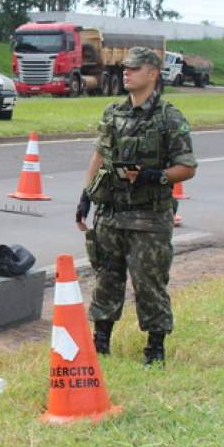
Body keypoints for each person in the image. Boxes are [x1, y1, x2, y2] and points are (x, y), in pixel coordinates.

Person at [75, 46, 197, 365]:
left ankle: (154, 349)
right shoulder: (113, 112)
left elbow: (187, 166)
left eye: (134, 68)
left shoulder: (169, 117)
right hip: (111, 213)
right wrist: (86, 196)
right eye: (125, 68)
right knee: (106, 279)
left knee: (149, 283)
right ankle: (100, 342)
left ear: (153, 73)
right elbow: (99, 154)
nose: (126, 72)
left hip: (150, 219)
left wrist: (154, 176)